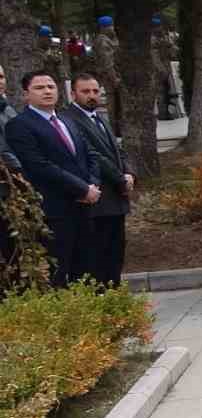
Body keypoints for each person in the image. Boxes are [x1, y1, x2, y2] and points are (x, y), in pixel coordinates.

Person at [7, 71, 99, 286]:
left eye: (51, 86)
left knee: (86, 270)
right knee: (59, 272)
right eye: (39, 88)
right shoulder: (19, 125)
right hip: (54, 210)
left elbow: (89, 154)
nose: (47, 91)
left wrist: (93, 185)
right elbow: (39, 166)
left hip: (84, 207)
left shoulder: (68, 121)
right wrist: (81, 188)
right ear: (25, 95)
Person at [62, 74, 132, 286]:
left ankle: (116, 298)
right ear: (73, 94)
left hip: (116, 200)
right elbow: (95, 155)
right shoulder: (70, 120)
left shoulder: (99, 117)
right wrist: (121, 180)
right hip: (98, 201)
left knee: (116, 254)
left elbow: (118, 150)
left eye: (95, 91)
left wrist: (130, 173)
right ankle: (104, 300)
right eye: (85, 92)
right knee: (98, 258)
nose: (92, 96)